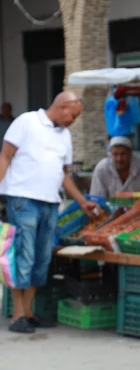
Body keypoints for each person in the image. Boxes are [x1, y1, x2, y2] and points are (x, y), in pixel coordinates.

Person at [0, 92, 99, 334]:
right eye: (73, 115)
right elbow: (5, 156)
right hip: (23, 199)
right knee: (22, 253)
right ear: (62, 106)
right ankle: (17, 315)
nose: (73, 121)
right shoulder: (26, 121)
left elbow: (63, 174)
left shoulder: (64, 136)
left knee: (42, 258)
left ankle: (29, 312)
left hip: (50, 203)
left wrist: (82, 201)